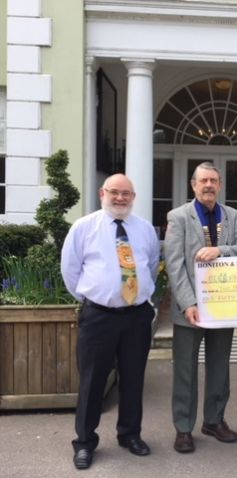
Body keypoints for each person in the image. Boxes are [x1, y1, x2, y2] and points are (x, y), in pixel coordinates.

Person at [61, 174, 160, 470]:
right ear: (103, 193)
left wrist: (137, 294)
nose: (120, 198)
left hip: (136, 316)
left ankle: (130, 434)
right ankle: (85, 442)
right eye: (115, 192)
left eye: (126, 194)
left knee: (133, 378)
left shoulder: (144, 229)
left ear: (133, 197)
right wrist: (94, 298)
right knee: (92, 381)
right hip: (99, 317)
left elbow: (152, 266)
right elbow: (70, 270)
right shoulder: (84, 227)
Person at [164, 162, 237, 454]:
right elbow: (174, 265)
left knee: (219, 366)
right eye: (203, 180)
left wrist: (220, 250)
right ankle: (184, 428)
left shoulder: (233, 215)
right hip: (190, 308)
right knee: (185, 371)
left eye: (213, 180)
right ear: (193, 185)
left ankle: (214, 421)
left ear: (220, 184)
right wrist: (187, 302)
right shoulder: (178, 217)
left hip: (223, 306)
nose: (208, 185)